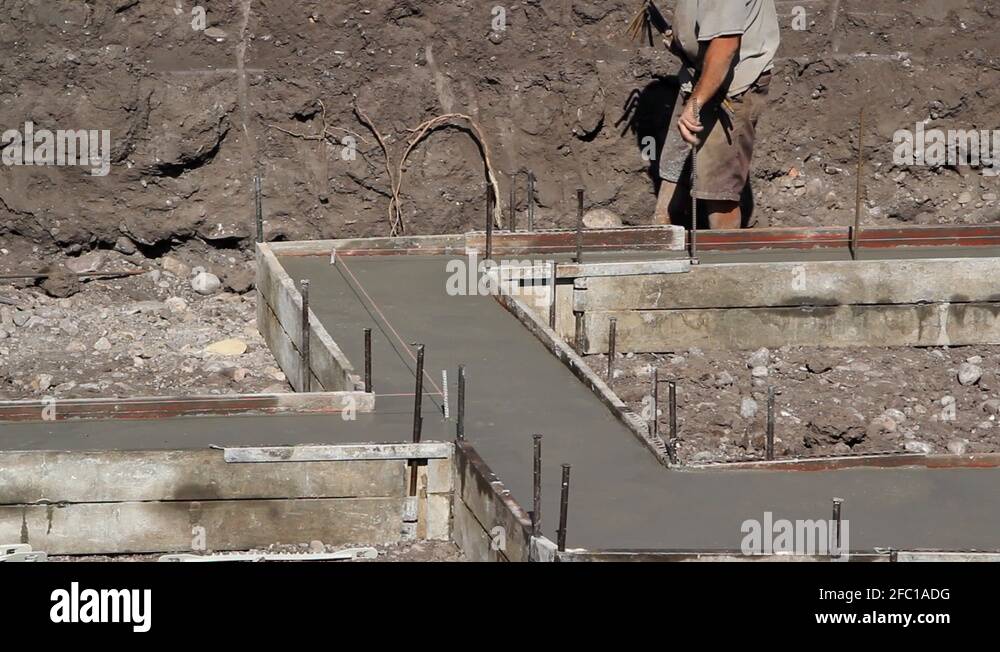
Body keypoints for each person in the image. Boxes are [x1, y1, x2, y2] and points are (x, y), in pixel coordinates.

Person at [653, 0, 780, 229]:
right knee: (673, 176)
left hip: (732, 88)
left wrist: (694, 105)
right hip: (700, 77)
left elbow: (725, 46)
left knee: (718, 194)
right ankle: (665, 250)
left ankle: (723, 258)